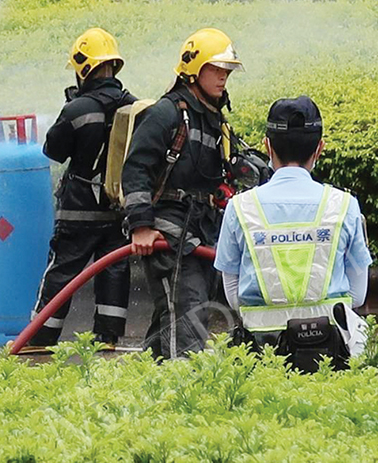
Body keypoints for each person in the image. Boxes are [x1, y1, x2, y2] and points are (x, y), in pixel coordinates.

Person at [215, 96, 371, 369]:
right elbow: (357, 295)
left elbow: (232, 294)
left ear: (267, 146)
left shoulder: (240, 207)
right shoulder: (344, 205)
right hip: (331, 355)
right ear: (320, 148)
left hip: (261, 354)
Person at [122, 27, 244, 359]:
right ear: (194, 69)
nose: (223, 77)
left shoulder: (212, 118)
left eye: (227, 70)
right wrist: (141, 226)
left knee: (174, 312)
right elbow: (135, 169)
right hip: (170, 232)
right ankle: (184, 383)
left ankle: (149, 376)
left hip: (201, 231)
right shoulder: (167, 113)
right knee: (188, 311)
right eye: (215, 69)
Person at [21, 28, 136, 353]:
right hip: (119, 209)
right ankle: (107, 338)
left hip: (78, 211)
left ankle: (40, 338)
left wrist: (70, 107)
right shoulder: (135, 106)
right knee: (114, 269)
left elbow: (53, 150)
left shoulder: (77, 110)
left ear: (83, 69)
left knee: (62, 271)